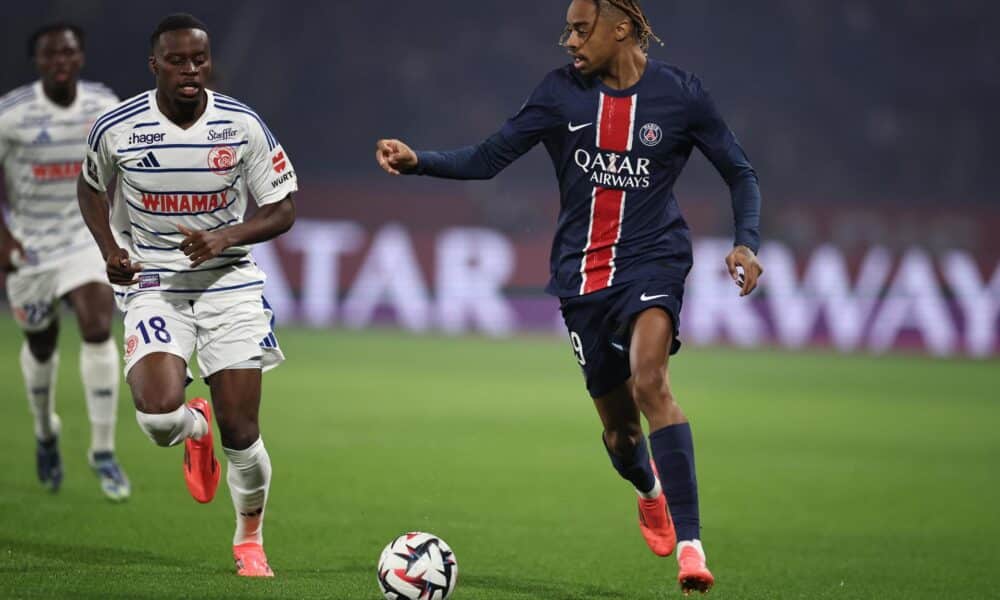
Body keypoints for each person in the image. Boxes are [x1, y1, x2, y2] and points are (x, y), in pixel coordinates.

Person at [376, 0, 764, 593]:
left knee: (651, 381)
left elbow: (739, 171)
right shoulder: (560, 94)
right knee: (622, 435)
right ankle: (649, 491)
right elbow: (489, 158)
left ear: (622, 28)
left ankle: (691, 545)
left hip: (654, 259)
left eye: (581, 29)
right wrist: (419, 161)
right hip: (582, 280)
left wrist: (746, 242)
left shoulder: (681, 96)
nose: (570, 41)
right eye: (568, 30)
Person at [76, 13, 297, 577]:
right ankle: (192, 426)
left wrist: (225, 235)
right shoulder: (119, 128)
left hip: (230, 286)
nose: (191, 70)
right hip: (156, 286)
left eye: (199, 59)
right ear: (156, 65)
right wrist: (109, 249)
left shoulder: (240, 125)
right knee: (156, 420)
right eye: (177, 60)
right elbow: (90, 186)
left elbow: (282, 209)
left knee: (243, 432)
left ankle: (250, 542)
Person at [0, 23, 129, 501]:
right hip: (30, 248)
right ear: (37, 61)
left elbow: (130, 162)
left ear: (80, 58)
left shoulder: (103, 104)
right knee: (41, 344)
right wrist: (4, 240)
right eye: (51, 53)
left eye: (69, 52)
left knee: (97, 326)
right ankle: (45, 432)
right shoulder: (12, 114)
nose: (61, 60)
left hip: (84, 238)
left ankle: (103, 451)